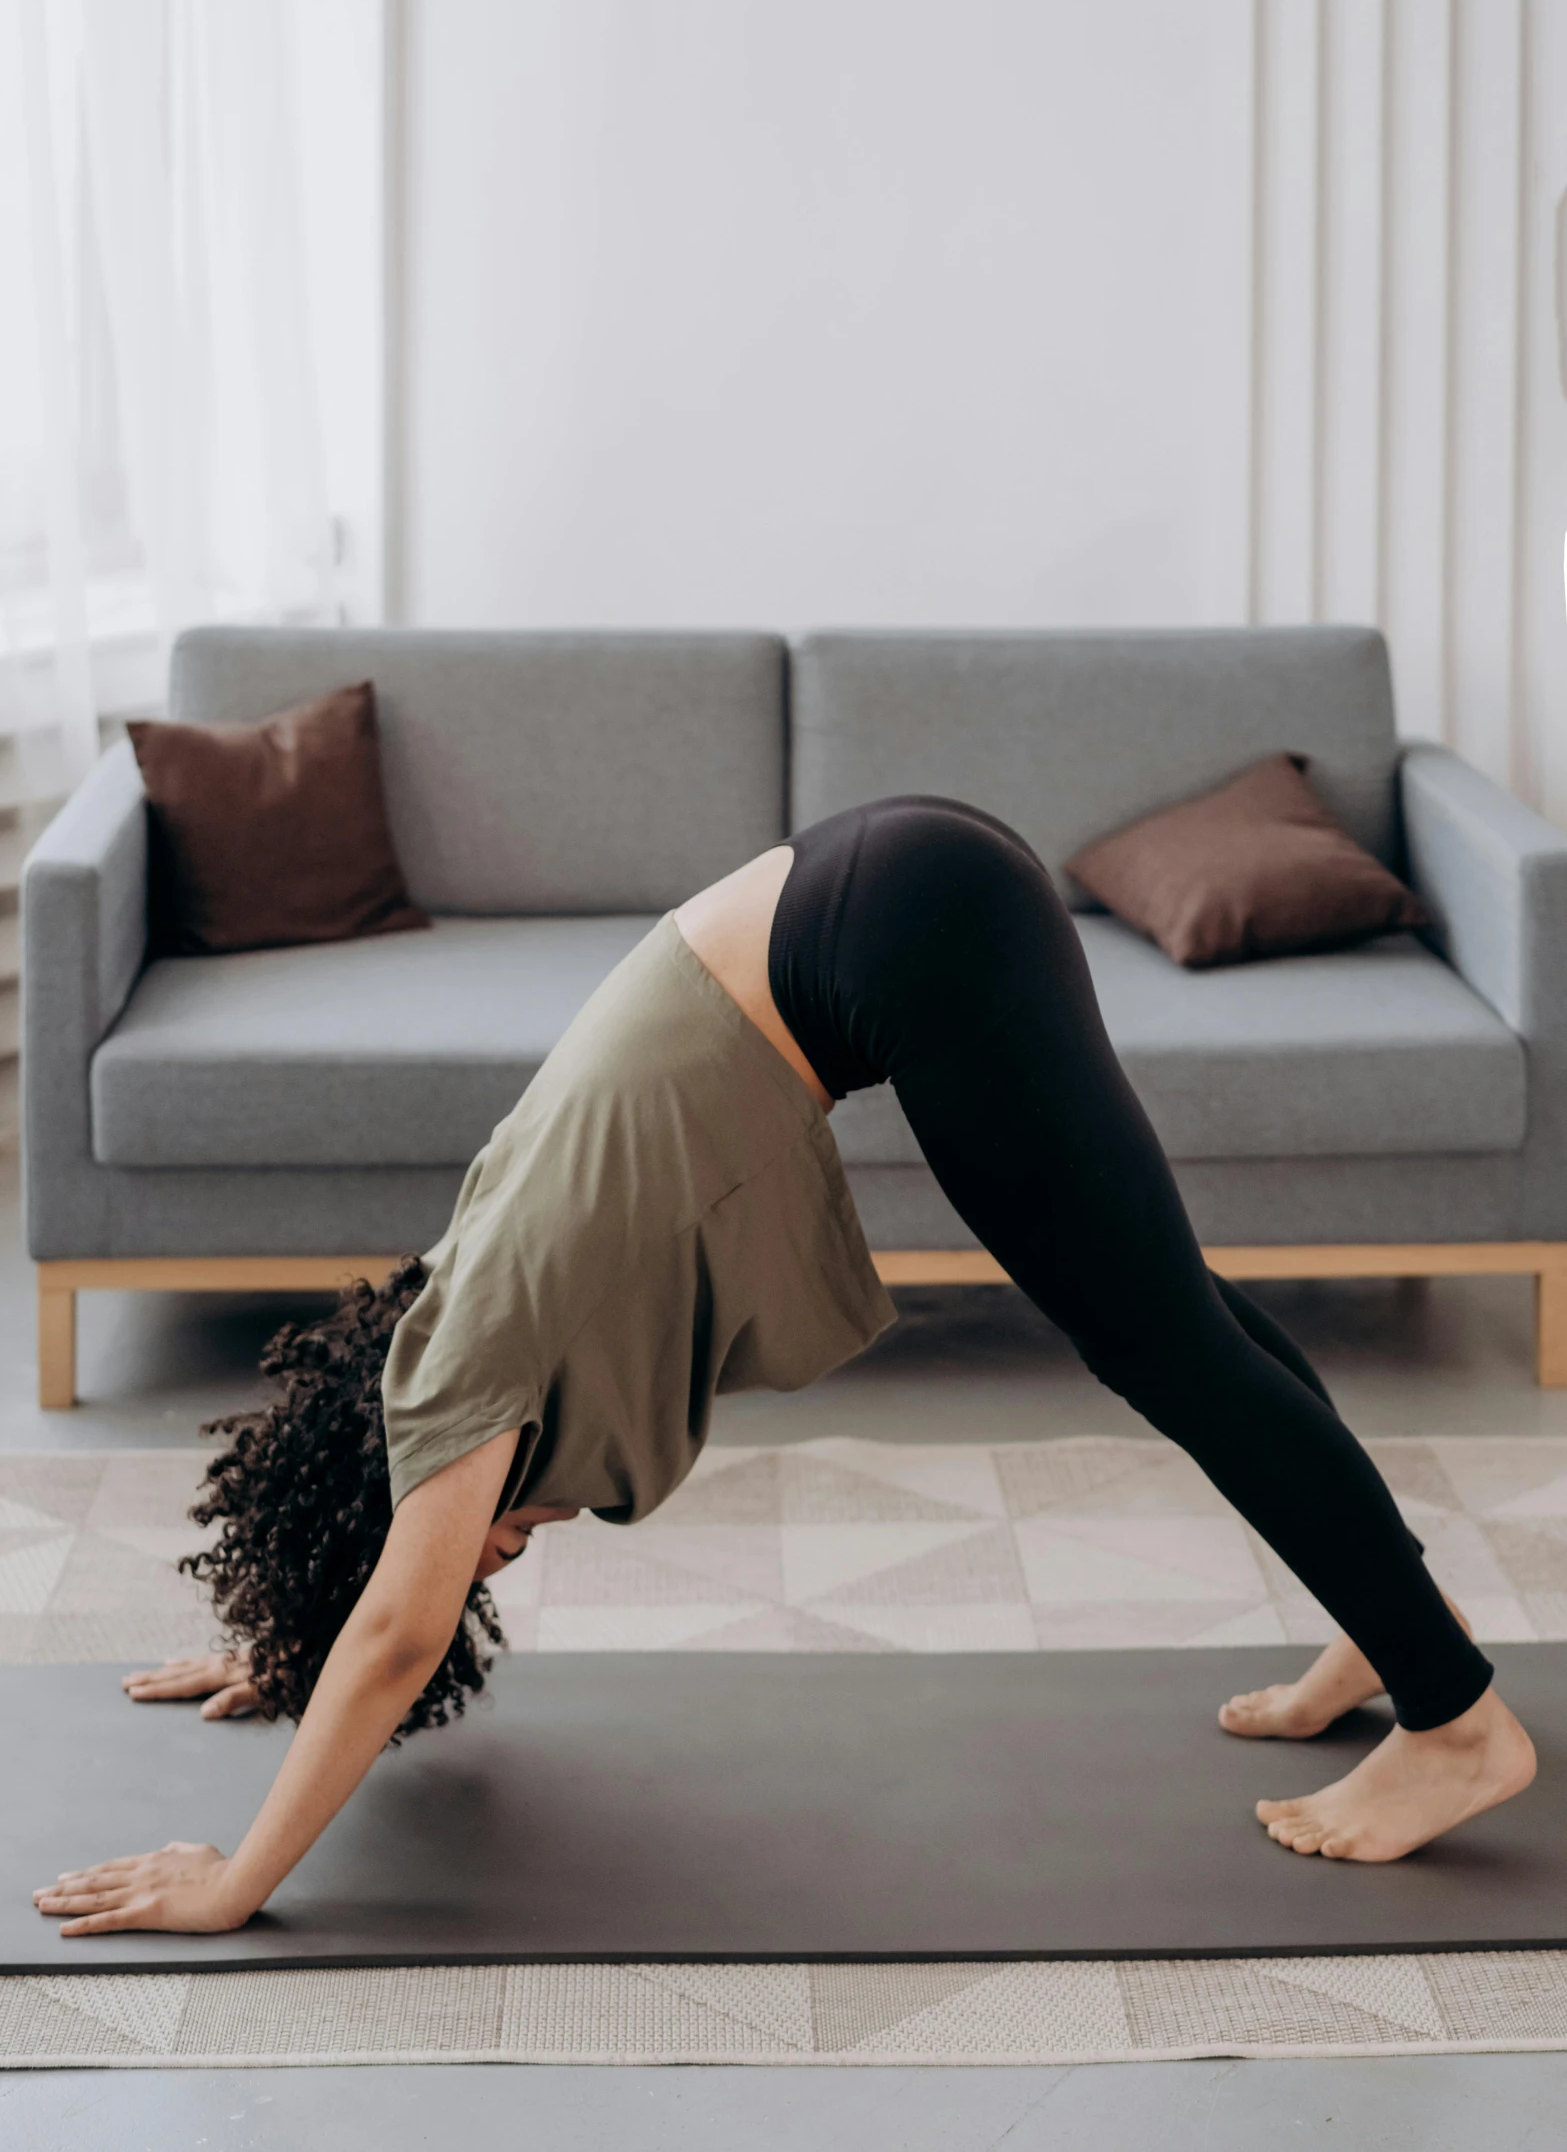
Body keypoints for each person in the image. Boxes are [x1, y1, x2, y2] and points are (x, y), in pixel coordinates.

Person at [34, 798, 1535, 1940]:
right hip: (900, 879)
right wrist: (288, 1630)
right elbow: (376, 1598)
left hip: (913, 936)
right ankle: (1390, 1619)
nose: (498, 1548)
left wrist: (235, 1878)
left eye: (472, 1542)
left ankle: (1455, 1721)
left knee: (1157, 1342)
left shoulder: (455, 1376)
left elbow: (395, 1632)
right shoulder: (449, 1298)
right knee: (1170, 1311)